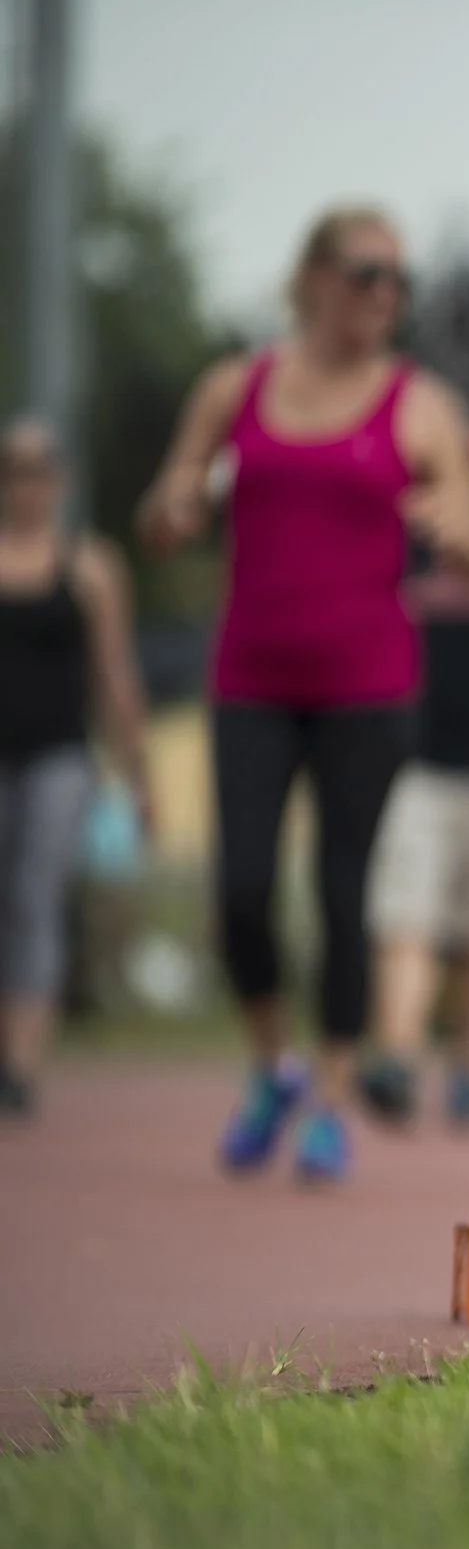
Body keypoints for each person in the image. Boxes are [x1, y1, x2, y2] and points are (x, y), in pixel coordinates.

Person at [141, 205, 469, 1183]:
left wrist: (452, 525)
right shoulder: (235, 386)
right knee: (242, 891)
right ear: (315, 278)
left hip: (368, 683)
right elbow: (168, 502)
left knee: (345, 892)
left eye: (397, 279)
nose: (384, 294)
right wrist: (171, 507)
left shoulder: (418, 404)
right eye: (366, 272)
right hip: (250, 673)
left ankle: (333, 1096)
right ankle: (271, 1066)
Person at [365, 398, 469, 1128]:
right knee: (409, 916)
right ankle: (399, 1057)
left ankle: (467, 1060)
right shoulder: (397, 548)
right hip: (417, 764)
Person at [0, 417, 153, 1117]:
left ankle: (21, 1064)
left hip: (59, 757)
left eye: (38, 469)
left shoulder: (89, 567)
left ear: (59, 481)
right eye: (13, 469)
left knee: (34, 897)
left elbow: (115, 674)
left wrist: (140, 772)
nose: (26, 484)